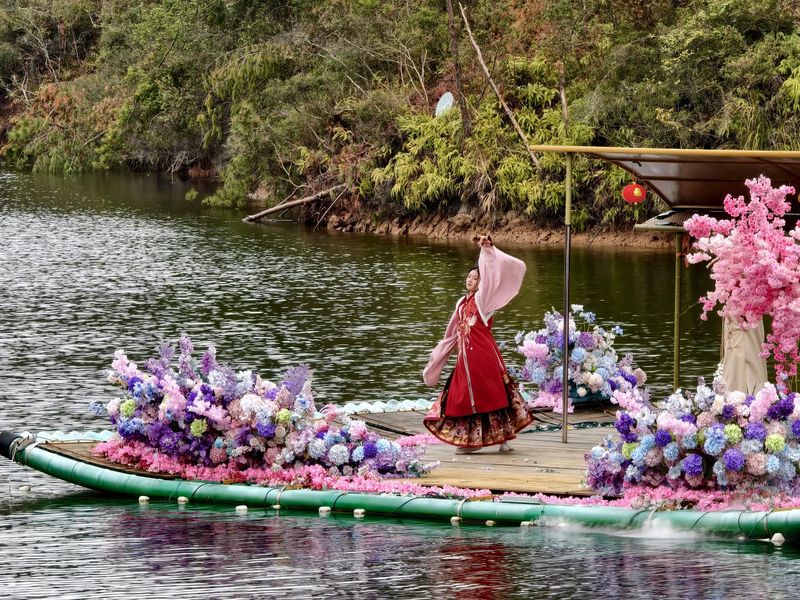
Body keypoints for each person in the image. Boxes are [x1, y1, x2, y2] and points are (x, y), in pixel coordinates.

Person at [422, 235, 532, 453]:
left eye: (475, 277)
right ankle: (470, 441)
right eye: (469, 277)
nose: (470, 280)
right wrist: (441, 352)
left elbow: (490, 274)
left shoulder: (483, 301)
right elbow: (453, 330)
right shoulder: (461, 303)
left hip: (483, 357)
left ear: (483, 283)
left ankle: (501, 439)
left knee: (492, 395)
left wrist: (487, 250)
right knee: (461, 397)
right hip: (465, 359)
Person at [720, 316, 768, 395]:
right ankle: (734, 395)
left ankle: (757, 395)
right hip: (736, 313)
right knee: (734, 358)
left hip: (753, 313)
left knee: (755, 350)